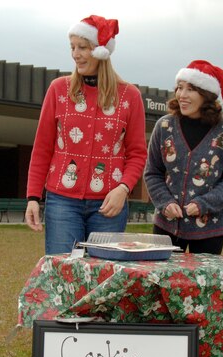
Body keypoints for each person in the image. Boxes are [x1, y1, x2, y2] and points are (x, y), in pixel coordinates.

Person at [144, 60, 223, 357]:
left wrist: (202, 204)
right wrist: (165, 202)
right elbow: (152, 173)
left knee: (201, 297)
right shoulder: (163, 127)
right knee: (161, 293)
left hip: (209, 230)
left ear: (207, 94)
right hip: (166, 227)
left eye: (189, 88)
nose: (181, 94)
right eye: (179, 87)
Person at [24, 14, 147, 254]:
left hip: (109, 205)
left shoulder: (129, 96)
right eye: (72, 47)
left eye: (82, 47)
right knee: (64, 274)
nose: (75, 54)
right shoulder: (58, 90)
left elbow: (137, 153)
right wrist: (32, 197)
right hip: (62, 202)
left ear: (100, 51)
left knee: (102, 278)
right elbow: (42, 148)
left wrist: (123, 189)